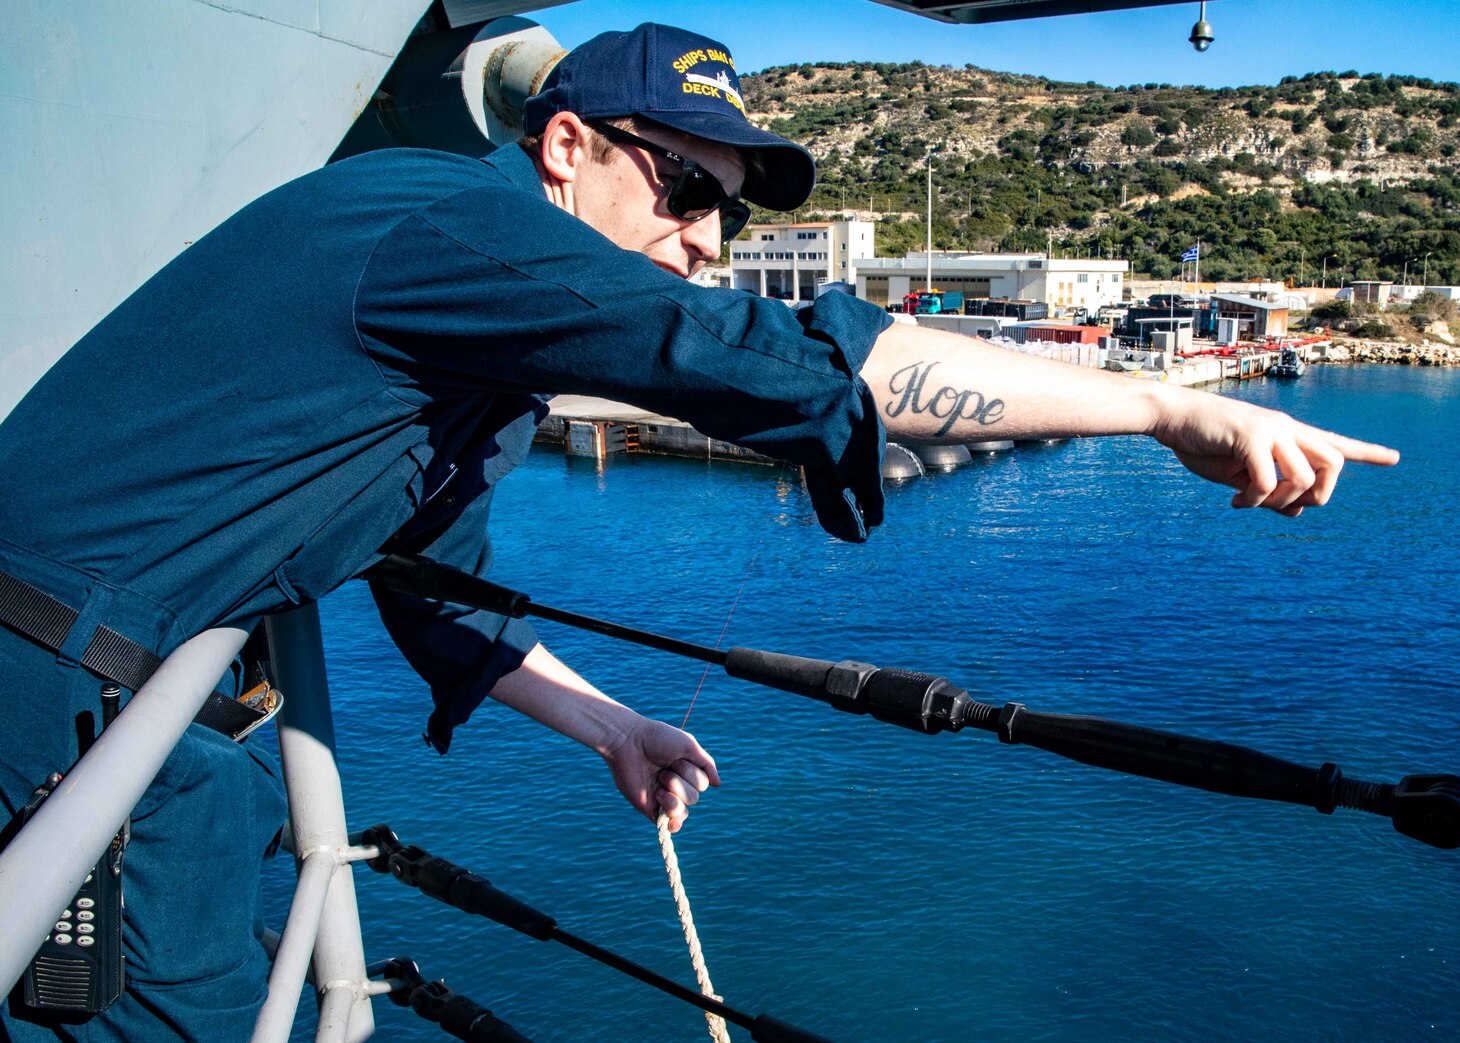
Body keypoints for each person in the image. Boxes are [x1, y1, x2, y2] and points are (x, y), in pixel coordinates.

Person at [0, 21, 1396, 1041]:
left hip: (134, 706)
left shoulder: (478, 321)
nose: (707, 238)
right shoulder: (451, 231)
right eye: (686, 193)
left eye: (725, 212)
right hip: (54, 698)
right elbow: (774, 357)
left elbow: (440, 590)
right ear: (566, 147)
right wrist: (1157, 409)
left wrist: (615, 729)